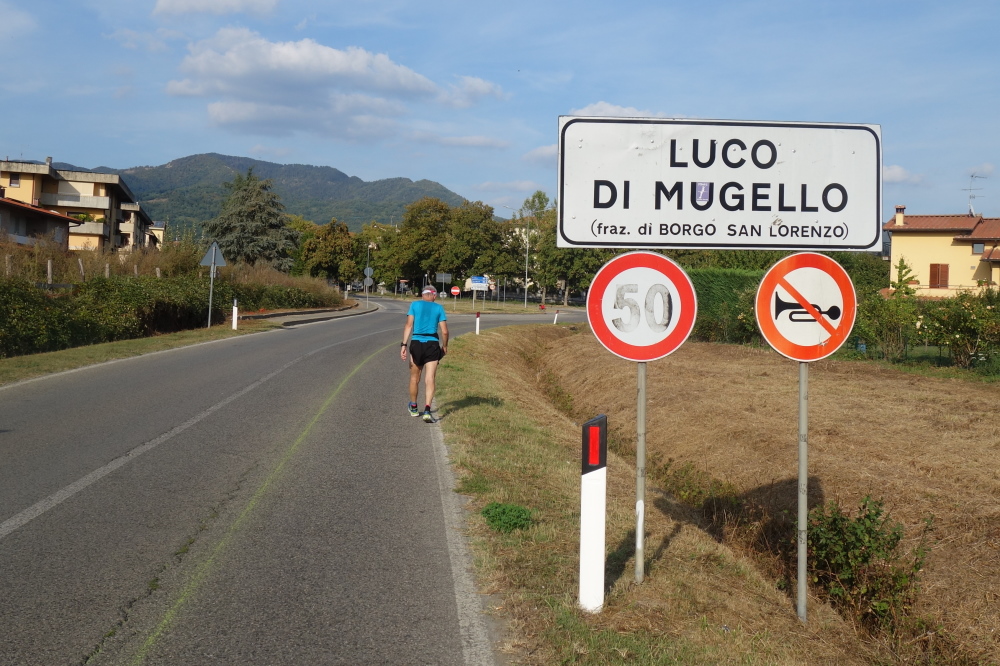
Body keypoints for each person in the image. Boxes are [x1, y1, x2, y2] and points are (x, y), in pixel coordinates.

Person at [400, 285, 449, 422]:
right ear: (434, 295)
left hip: (416, 343)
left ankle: (414, 407)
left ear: (422, 295)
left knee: (414, 378)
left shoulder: (414, 305)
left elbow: (408, 325)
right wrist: (445, 346)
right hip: (432, 344)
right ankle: (427, 410)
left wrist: (404, 345)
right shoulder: (439, 308)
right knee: (430, 378)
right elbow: (445, 331)